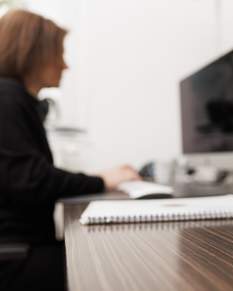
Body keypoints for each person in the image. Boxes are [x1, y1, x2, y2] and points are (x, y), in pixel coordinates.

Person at [0, 9, 141, 290]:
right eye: (59, 53)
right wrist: (101, 180)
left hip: (24, 247)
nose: (65, 65)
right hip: (16, 257)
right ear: (34, 53)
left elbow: (28, 173)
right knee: (120, 269)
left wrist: (100, 177)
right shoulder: (6, 97)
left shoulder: (15, 99)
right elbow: (32, 180)